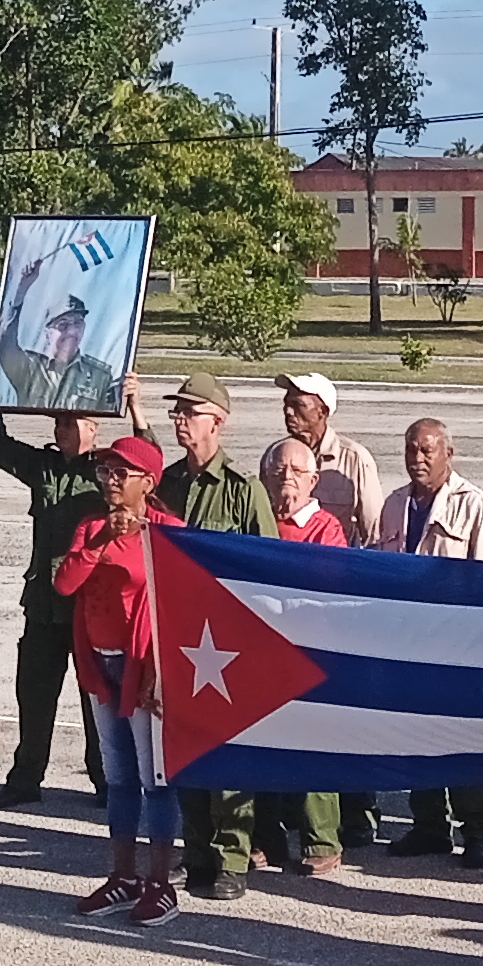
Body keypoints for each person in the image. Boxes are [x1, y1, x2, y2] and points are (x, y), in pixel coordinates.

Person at [51, 433, 186, 922]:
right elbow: (65, 583)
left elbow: (184, 606)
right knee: (119, 776)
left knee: (156, 779)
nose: (110, 480)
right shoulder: (91, 527)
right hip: (100, 664)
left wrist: (162, 672)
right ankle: (123, 875)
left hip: (145, 668)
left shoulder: (169, 532)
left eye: (120, 473)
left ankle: (160, 883)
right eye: (105, 471)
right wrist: (101, 540)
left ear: (148, 482)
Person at [159, 379, 280, 896]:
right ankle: (196, 851)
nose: (180, 420)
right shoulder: (166, 483)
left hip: (229, 641)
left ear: (218, 422)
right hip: (180, 637)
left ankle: (232, 855)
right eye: (177, 412)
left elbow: (270, 567)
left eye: (191, 412)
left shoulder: (242, 488)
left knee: (228, 751)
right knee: (185, 747)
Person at [370, 415, 483, 866]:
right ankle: (428, 826)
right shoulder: (393, 505)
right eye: (411, 449)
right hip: (407, 647)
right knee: (416, 739)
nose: (418, 458)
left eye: (427, 450)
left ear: (449, 453)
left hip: (457, 649)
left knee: (462, 741)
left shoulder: (475, 506)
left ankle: (477, 831)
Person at [0, 404, 104, 808]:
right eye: (58, 423)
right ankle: (25, 778)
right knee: (33, 694)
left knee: (95, 699)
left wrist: (137, 412)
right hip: (43, 604)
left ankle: (105, 779)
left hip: (87, 606)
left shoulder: (107, 471)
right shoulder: (44, 467)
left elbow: (148, 469)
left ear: (94, 428)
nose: (61, 430)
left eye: (71, 423)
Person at [242, 436, 354, 873]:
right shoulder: (257, 522)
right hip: (261, 650)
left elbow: (328, 584)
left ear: (313, 480)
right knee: (264, 743)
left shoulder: (326, 527)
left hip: (310, 650)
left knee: (313, 743)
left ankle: (322, 839)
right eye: (276, 471)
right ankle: (267, 838)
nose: (285, 478)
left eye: (295, 471)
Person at [0, 243, 124, 414]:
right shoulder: (29, 367)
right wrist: (21, 290)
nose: (71, 331)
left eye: (78, 323)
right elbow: (4, 343)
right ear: (47, 333)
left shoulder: (100, 375)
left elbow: (102, 420)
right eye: (63, 324)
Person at [273, 373, 384, 541]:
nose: (288, 411)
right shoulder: (275, 456)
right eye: (286, 404)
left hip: (336, 553)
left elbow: (374, 532)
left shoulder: (354, 459)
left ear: (322, 412)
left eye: (298, 405)